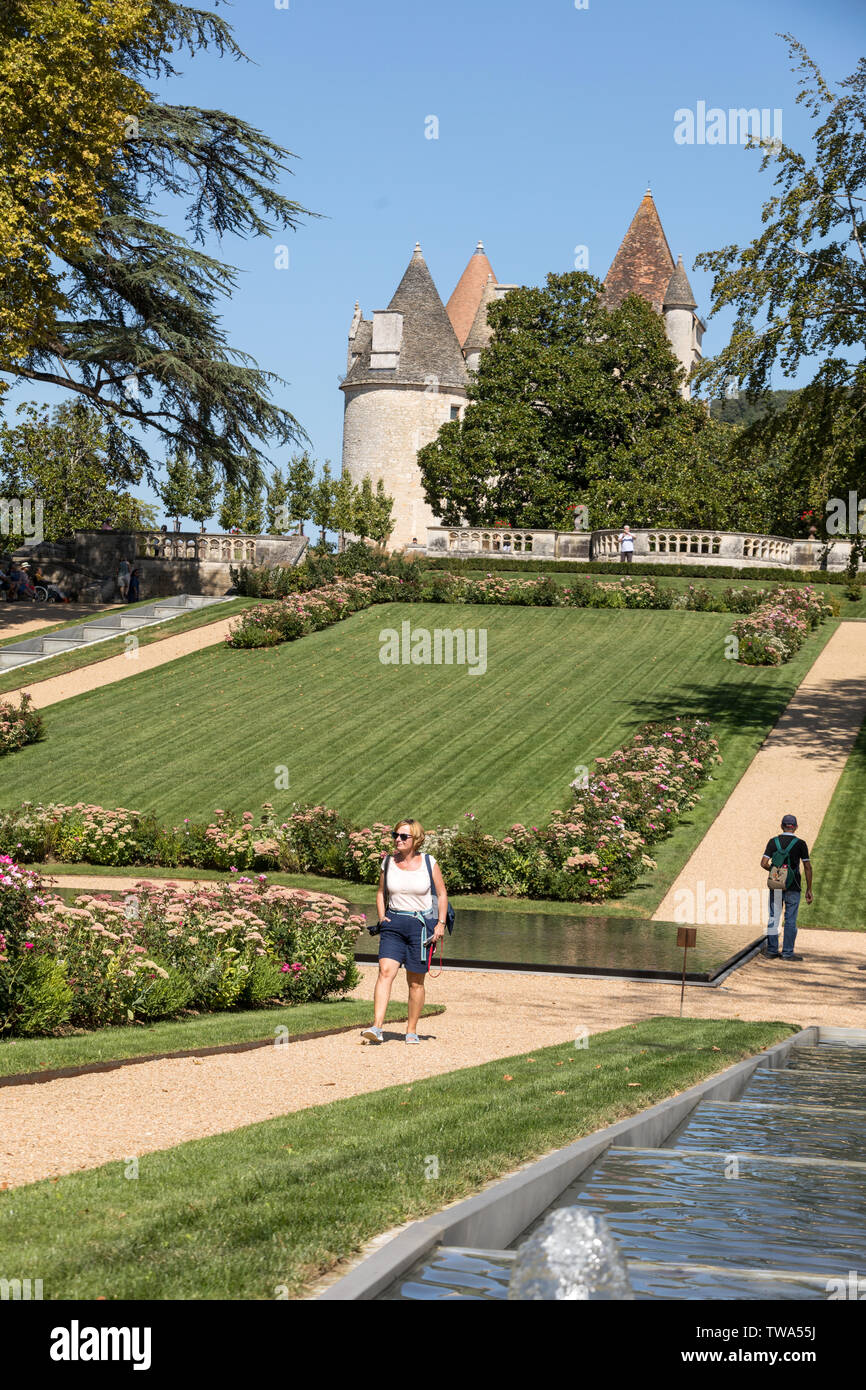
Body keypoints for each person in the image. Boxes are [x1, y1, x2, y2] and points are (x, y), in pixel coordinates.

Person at [360, 818, 448, 1045]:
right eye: (395, 835)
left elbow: (442, 894)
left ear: (416, 840)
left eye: (403, 836)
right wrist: (382, 917)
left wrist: (440, 924)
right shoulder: (388, 862)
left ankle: (411, 1029)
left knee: (416, 981)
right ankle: (377, 1027)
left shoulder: (429, 862)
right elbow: (381, 893)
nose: (397, 839)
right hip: (393, 924)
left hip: (421, 928)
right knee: (385, 971)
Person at [760, 814, 812, 961]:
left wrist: (776, 873)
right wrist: (809, 889)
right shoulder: (800, 843)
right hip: (793, 886)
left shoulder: (773, 842)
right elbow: (807, 867)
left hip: (776, 884)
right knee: (790, 919)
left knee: (773, 917)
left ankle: (771, 951)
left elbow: (763, 863)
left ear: (781, 826)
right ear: (795, 827)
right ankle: (787, 953)